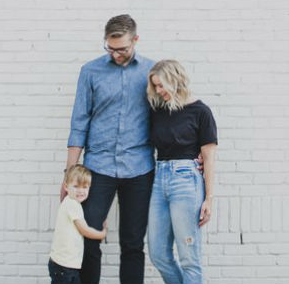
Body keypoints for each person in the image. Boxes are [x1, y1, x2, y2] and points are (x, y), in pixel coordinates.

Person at [63, 14, 155, 284]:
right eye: (110, 48)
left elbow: (167, 117)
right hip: (98, 168)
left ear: (135, 40)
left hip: (139, 169)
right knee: (88, 239)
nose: (116, 54)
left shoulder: (151, 71)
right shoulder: (90, 71)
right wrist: (70, 173)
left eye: (122, 49)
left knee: (133, 244)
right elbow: (79, 122)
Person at [146, 59, 218, 284]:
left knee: (189, 258)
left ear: (175, 80)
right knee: (158, 254)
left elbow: (209, 159)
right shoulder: (158, 110)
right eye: (155, 86)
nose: (158, 91)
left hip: (186, 181)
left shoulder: (200, 111)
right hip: (159, 180)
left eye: (161, 85)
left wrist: (209, 198)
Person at [49, 164, 108, 284]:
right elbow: (84, 230)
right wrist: (102, 234)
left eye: (85, 187)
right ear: (66, 186)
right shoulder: (72, 204)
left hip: (66, 265)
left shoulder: (72, 203)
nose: (81, 191)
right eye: (76, 186)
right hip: (64, 266)